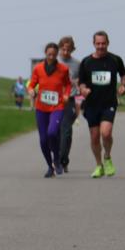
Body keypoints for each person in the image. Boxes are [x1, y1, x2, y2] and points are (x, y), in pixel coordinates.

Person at [78, 30, 125, 178]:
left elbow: (124, 75)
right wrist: (83, 89)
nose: (101, 46)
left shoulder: (115, 60)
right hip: (92, 104)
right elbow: (80, 82)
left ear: (108, 43)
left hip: (108, 103)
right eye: (98, 43)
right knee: (94, 137)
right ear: (93, 44)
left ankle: (107, 157)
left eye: (103, 43)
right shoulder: (86, 62)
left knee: (106, 133)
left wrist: (123, 86)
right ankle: (99, 165)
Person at [27, 43, 72, 177]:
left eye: (54, 54)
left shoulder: (63, 69)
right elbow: (32, 84)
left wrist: (66, 94)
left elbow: (68, 84)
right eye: (49, 54)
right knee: (43, 140)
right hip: (41, 107)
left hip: (57, 107)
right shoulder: (38, 68)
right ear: (45, 54)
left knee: (52, 132)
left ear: (57, 54)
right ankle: (49, 166)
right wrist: (30, 91)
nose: (51, 57)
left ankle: (56, 160)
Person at [55, 36, 81, 172]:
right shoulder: (52, 61)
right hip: (53, 100)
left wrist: (79, 104)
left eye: (68, 50)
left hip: (69, 100)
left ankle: (62, 160)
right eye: (63, 49)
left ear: (72, 50)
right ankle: (57, 159)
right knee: (54, 131)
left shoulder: (77, 64)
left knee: (66, 131)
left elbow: (82, 83)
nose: (65, 52)